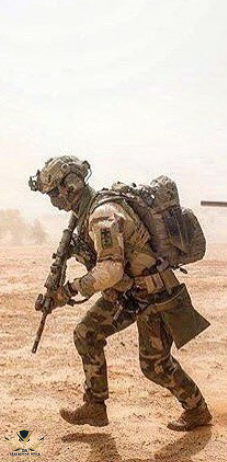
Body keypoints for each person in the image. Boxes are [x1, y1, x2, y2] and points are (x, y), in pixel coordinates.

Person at [29, 156, 212, 431]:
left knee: (154, 366)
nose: (53, 201)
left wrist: (67, 292)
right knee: (86, 334)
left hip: (154, 294)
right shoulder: (85, 214)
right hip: (128, 293)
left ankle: (197, 410)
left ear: (71, 185)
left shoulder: (102, 215)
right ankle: (95, 406)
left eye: (54, 193)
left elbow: (110, 271)